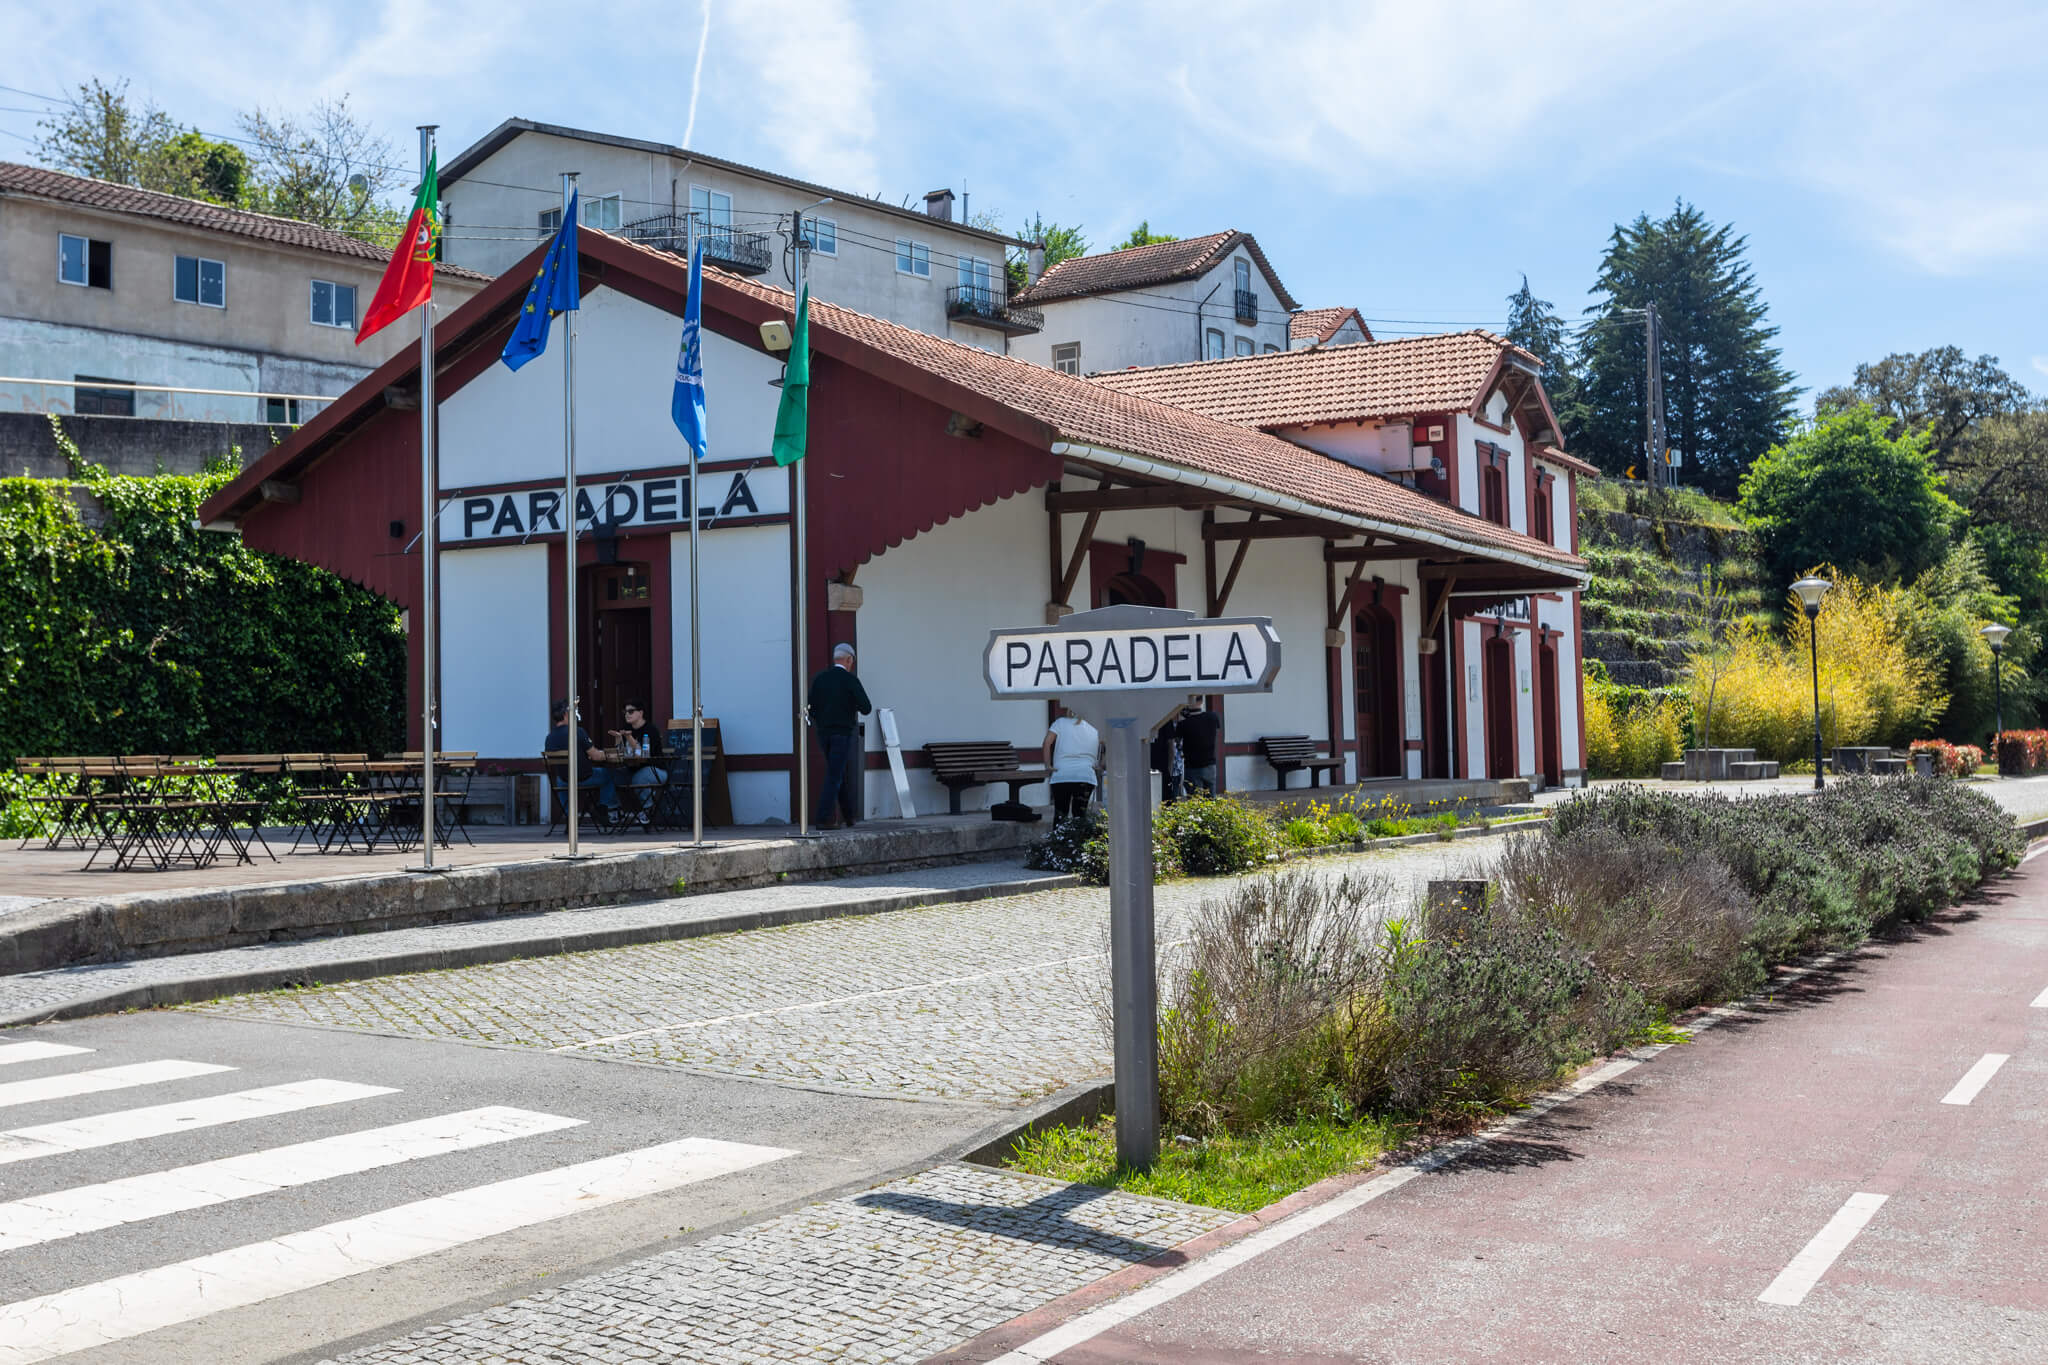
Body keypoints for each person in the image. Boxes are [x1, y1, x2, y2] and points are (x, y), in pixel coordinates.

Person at [807, 642, 873, 829]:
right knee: (834, 775)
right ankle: (823, 818)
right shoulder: (850, 680)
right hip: (842, 733)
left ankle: (849, 815)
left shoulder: (820, 679)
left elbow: (811, 708)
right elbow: (866, 708)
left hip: (823, 734)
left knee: (838, 773)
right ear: (849, 659)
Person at [544, 699, 620, 819]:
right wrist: (610, 754)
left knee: (561, 779)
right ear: (565, 714)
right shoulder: (577, 732)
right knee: (609, 775)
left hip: (563, 780)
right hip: (583, 777)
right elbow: (596, 756)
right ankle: (607, 809)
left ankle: (570, 816)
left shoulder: (549, 738)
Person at [608, 701, 667, 821]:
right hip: (633, 769)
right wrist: (619, 738)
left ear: (640, 713)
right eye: (625, 712)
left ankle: (648, 809)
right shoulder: (626, 728)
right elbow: (621, 753)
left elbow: (643, 755)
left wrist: (629, 737)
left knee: (638, 779)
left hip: (656, 770)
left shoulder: (651, 730)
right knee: (611, 775)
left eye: (631, 711)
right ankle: (615, 809)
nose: (627, 714)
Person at [1042, 707, 1100, 823]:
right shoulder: (1096, 726)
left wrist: (1048, 765)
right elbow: (1108, 743)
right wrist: (1100, 763)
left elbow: (1046, 743)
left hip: (1061, 774)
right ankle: (1079, 840)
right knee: (1080, 815)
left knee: (1060, 814)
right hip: (1085, 775)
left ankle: (1058, 840)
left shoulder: (1060, 723)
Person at [1176, 699, 1224, 797]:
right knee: (1211, 798)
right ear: (1201, 701)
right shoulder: (1213, 717)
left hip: (1191, 766)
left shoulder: (1183, 724)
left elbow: (1177, 742)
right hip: (1210, 764)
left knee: (1194, 800)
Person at [1150, 714, 1184, 805]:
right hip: (1162, 768)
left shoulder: (1165, 719)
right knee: (1165, 803)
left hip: (1161, 768)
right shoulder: (1165, 719)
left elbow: (1171, 748)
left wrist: (1169, 769)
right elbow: (1171, 747)